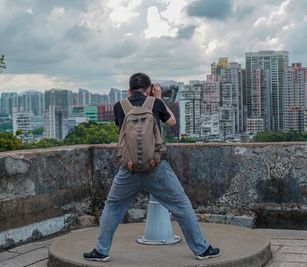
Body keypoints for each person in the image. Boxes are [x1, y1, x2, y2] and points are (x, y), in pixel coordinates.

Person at [83, 73, 220, 262]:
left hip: (129, 169)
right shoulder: (155, 103)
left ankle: (101, 250)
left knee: (113, 206)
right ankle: (201, 249)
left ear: (129, 90)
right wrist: (157, 98)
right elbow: (171, 121)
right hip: (156, 168)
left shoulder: (119, 106)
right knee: (181, 205)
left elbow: (122, 130)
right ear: (148, 88)